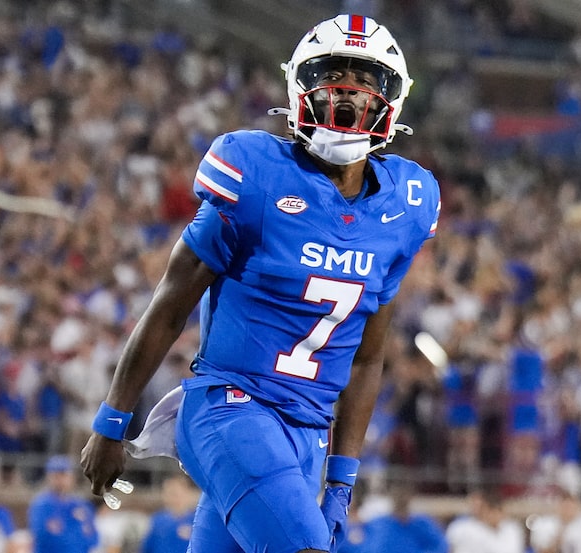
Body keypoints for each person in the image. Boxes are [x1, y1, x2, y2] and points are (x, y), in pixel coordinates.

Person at [81, 13, 441, 553]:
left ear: (392, 99)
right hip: (231, 407)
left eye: (365, 79)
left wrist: (341, 479)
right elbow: (169, 305)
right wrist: (113, 420)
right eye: (332, 74)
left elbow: (368, 356)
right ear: (298, 88)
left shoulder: (406, 203)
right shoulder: (255, 172)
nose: (347, 93)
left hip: (307, 436)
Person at [28, 455, 99, 553]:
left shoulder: (81, 505)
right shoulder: (42, 504)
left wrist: (64, 531)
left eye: (64, 475)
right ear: (49, 477)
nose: (60, 480)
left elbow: (94, 538)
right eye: (56, 476)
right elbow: (43, 536)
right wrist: (77, 533)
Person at [361, 483, 448, 553]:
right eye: (397, 494)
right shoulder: (377, 524)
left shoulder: (422, 524)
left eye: (404, 495)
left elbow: (441, 547)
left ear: (410, 497)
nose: (401, 498)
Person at [445, 488, 525, 553]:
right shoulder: (462, 528)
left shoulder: (512, 529)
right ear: (485, 510)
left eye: (499, 511)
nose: (496, 515)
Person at [139, 472, 200, 553]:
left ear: (187, 493)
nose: (174, 498)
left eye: (177, 494)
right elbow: (147, 548)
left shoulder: (197, 521)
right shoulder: (158, 521)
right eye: (170, 493)